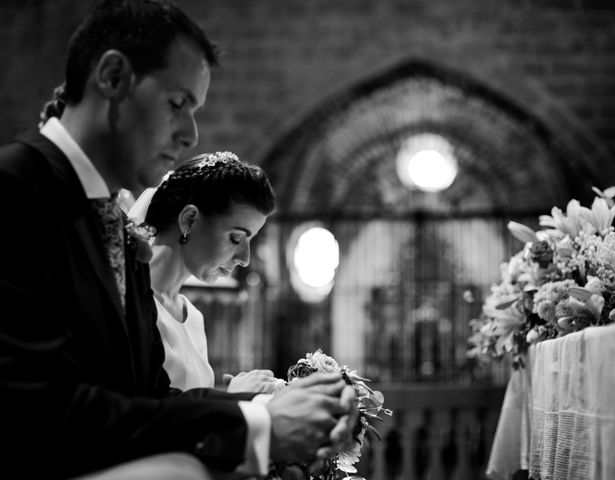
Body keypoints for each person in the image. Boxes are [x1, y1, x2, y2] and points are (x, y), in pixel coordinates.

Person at [0, 1, 356, 479]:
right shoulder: (16, 190)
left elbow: (146, 397)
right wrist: (255, 426)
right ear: (112, 77)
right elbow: (37, 411)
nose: (190, 134)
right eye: (177, 103)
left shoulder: (120, 232)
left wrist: (277, 404)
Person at [129, 151, 282, 393]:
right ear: (189, 220)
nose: (245, 259)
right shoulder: (130, 305)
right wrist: (231, 399)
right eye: (236, 238)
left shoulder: (194, 318)